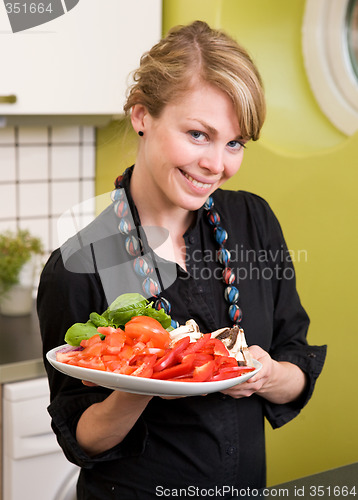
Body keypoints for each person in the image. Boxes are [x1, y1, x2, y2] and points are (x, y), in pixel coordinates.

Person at [38, 20, 326, 499]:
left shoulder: (253, 220)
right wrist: (141, 381)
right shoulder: (78, 264)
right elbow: (82, 438)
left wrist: (264, 374)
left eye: (234, 143)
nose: (218, 164)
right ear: (142, 116)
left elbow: (296, 362)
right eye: (198, 134)